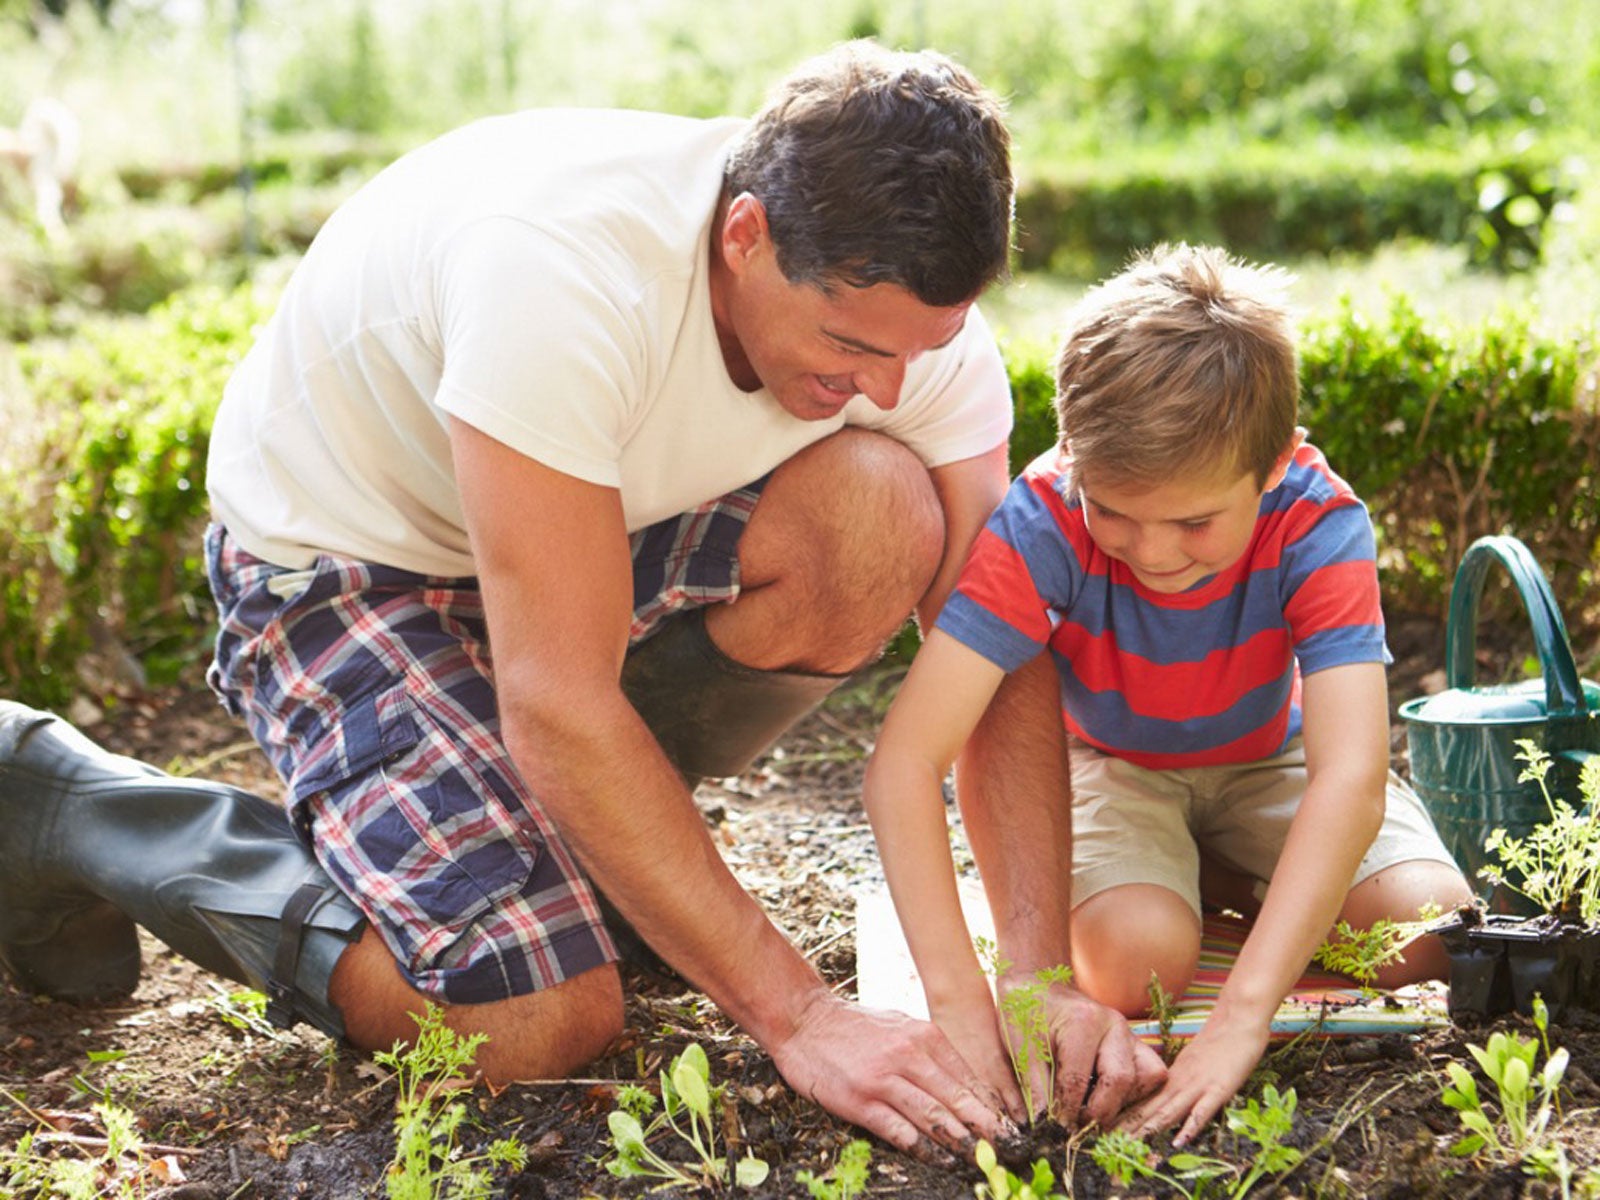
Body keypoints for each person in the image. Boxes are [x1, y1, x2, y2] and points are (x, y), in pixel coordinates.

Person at [0, 40, 1160, 1158]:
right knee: (538, 1019)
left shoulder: (901, 325)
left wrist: (1035, 978)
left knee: (878, 520)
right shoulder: (559, 269)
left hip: (582, 539)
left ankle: (571, 846)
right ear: (745, 236)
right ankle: (77, 809)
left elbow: (997, 651)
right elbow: (557, 696)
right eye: (851, 345)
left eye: (926, 347)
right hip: (349, 567)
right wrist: (803, 1018)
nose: (888, 385)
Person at [861, 242, 1474, 1142]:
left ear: (1272, 469)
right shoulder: (1043, 519)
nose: (1152, 552)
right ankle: (1214, 878)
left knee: (1430, 936)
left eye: (1194, 522)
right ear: (1073, 456)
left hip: (1272, 758)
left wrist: (1244, 1015)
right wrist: (964, 1005)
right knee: (1133, 966)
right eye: (1115, 510)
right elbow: (904, 764)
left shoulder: (1317, 518)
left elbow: (1349, 773)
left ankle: (1230, 872)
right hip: (1115, 764)